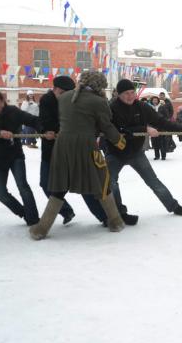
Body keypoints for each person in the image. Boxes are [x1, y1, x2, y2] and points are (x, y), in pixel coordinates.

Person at [30, 71, 130, 239]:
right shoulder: (99, 101)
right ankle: (115, 221)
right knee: (102, 181)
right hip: (86, 146)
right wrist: (120, 141)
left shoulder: (63, 97)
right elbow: (106, 126)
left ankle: (41, 229)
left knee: (59, 186)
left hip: (62, 146)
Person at [103, 79, 182, 219]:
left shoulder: (141, 107)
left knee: (153, 181)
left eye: (132, 92)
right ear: (118, 95)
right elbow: (118, 129)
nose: (130, 96)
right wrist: (144, 128)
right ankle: (118, 213)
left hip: (135, 152)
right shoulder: (111, 108)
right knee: (111, 182)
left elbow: (161, 121)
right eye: (126, 93)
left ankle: (174, 206)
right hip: (115, 152)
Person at [0, 89, 47, 226]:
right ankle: (24, 213)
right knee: (0, 193)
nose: (1, 106)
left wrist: (43, 130)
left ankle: (33, 219)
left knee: (23, 186)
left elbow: (32, 120)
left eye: (1, 102)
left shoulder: (12, 111)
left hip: (15, 155)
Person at [149, 95, 170, 160]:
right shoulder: (150, 108)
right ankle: (157, 155)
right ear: (151, 101)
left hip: (161, 127)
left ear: (158, 101)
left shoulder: (162, 107)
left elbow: (167, 116)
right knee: (155, 142)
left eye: (156, 100)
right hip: (153, 127)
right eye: (153, 100)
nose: (155, 101)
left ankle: (163, 156)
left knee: (162, 142)